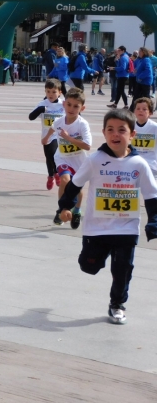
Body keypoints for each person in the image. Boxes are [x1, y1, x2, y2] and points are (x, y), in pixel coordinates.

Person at [58, 108, 157, 324]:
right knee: (88, 266)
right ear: (103, 132)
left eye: (121, 130)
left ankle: (117, 304)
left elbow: (152, 195)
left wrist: (154, 222)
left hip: (126, 228)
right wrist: (64, 206)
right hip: (97, 228)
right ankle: (100, 257)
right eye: (110, 129)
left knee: (122, 269)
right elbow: (75, 185)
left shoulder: (140, 164)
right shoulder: (95, 160)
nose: (115, 134)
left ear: (132, 135)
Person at [42, 88, 91, 228]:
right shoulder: (59, 121)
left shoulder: (82, 124)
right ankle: (62, 209)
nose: (71, 108)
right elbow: (53, 127)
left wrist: (68, 138)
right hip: (62, 158)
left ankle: (77, 211)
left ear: (82, 108)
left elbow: (87, 146)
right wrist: (46, 138)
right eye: (69, 104)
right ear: (64, 104)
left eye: (76, 106)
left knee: (77, 189)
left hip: (79, 161)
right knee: (64, 180)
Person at [29, 79, 65, 191]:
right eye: (48, 91)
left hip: (59, 135)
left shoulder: (63, 104)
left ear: (60, 92)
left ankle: (57, 174)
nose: (51, 94)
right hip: (46, 136)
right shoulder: (42, 104)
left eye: (54, 92)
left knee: (53, 154)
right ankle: (51, 176)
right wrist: (40, 109)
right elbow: (31, 117)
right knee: (48, 157)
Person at [132, 97, 157, 179]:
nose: (140, 111)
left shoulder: (154, 127)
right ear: (134, 111)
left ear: (150, 113)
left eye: (144, 109)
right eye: (138, 108)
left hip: (151, 165)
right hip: (134, 163)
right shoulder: (130, 126)